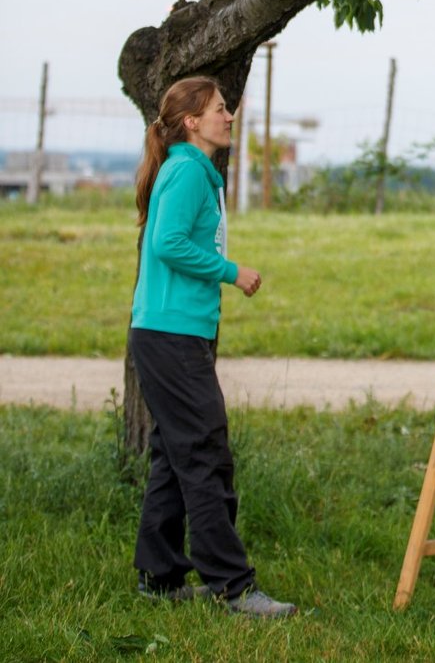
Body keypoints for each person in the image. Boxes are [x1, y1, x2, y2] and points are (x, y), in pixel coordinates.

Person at [128, 75, 296, 619]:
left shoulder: (197, 172)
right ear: (192, 122)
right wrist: (231, 272)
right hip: (169, 334)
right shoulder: (185, 173)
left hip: (175, 332)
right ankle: (233, 586)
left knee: (175, 455)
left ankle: (160, 579)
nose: (230, 116)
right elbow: (167, 242)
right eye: (221, 109)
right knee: (204, 452)